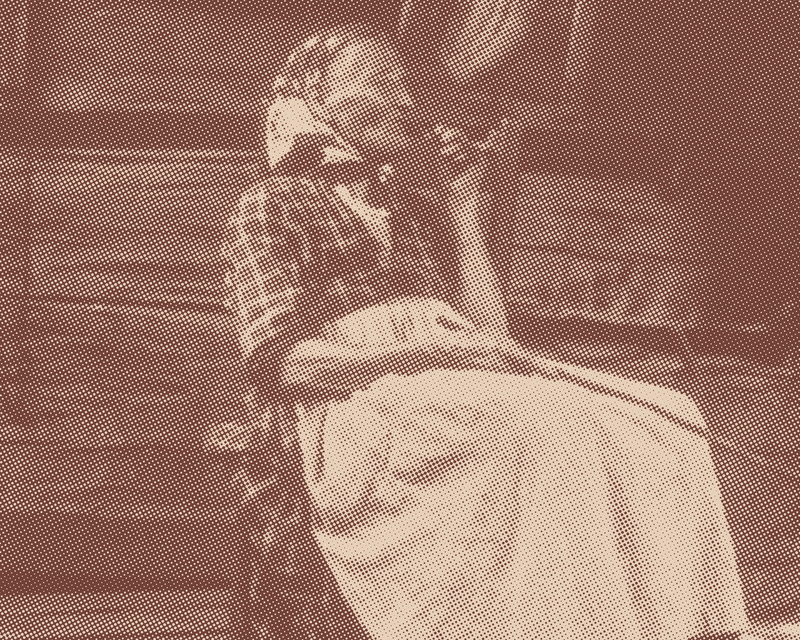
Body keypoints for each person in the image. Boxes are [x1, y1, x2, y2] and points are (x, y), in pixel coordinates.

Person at [222, 22, 751, 640]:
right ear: (317, 98)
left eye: (402, 83)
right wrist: (426, 350)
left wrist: (463, 203)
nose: (403, 98)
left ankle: (677, 628)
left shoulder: (408, 209)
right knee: (550, 426)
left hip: (448, 386)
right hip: (352, 408)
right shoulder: (274, 200)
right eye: (379, 79)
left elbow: (490, 334)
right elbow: (284, 364)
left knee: (670, 422)